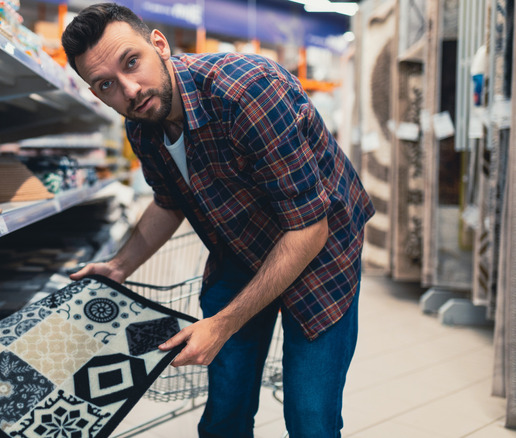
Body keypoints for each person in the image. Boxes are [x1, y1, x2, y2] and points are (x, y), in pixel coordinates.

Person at [62, 3, 374, 437]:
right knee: (224, 414)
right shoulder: (143, 126)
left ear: (159, 44)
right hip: (241, 243)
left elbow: (309, 227)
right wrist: (118, 266)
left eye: (132, 62)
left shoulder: (247, 91)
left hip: (320, 247)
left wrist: (224, 324)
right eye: (106, 84)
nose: (130, 90)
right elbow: (169, 201)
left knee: (310, 417)